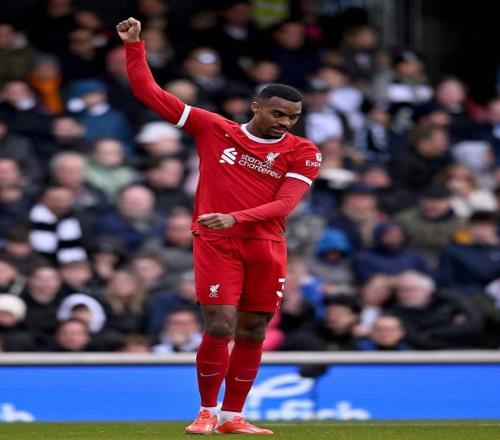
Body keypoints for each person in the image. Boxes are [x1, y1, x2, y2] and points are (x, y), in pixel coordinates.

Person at [117, 17, 321, 435]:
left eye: (293, 117)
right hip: (217, 240)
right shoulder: (213, 128)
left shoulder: (304, 151)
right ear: (256, 107)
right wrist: (134, 45)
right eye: (278, 113)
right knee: (221, 325)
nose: (285, 122)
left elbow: (285, 204)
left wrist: (236, 216)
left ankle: (233, 416)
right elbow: (147, 92)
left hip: (266, 243)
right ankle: (207, 410)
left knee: (254, 329)